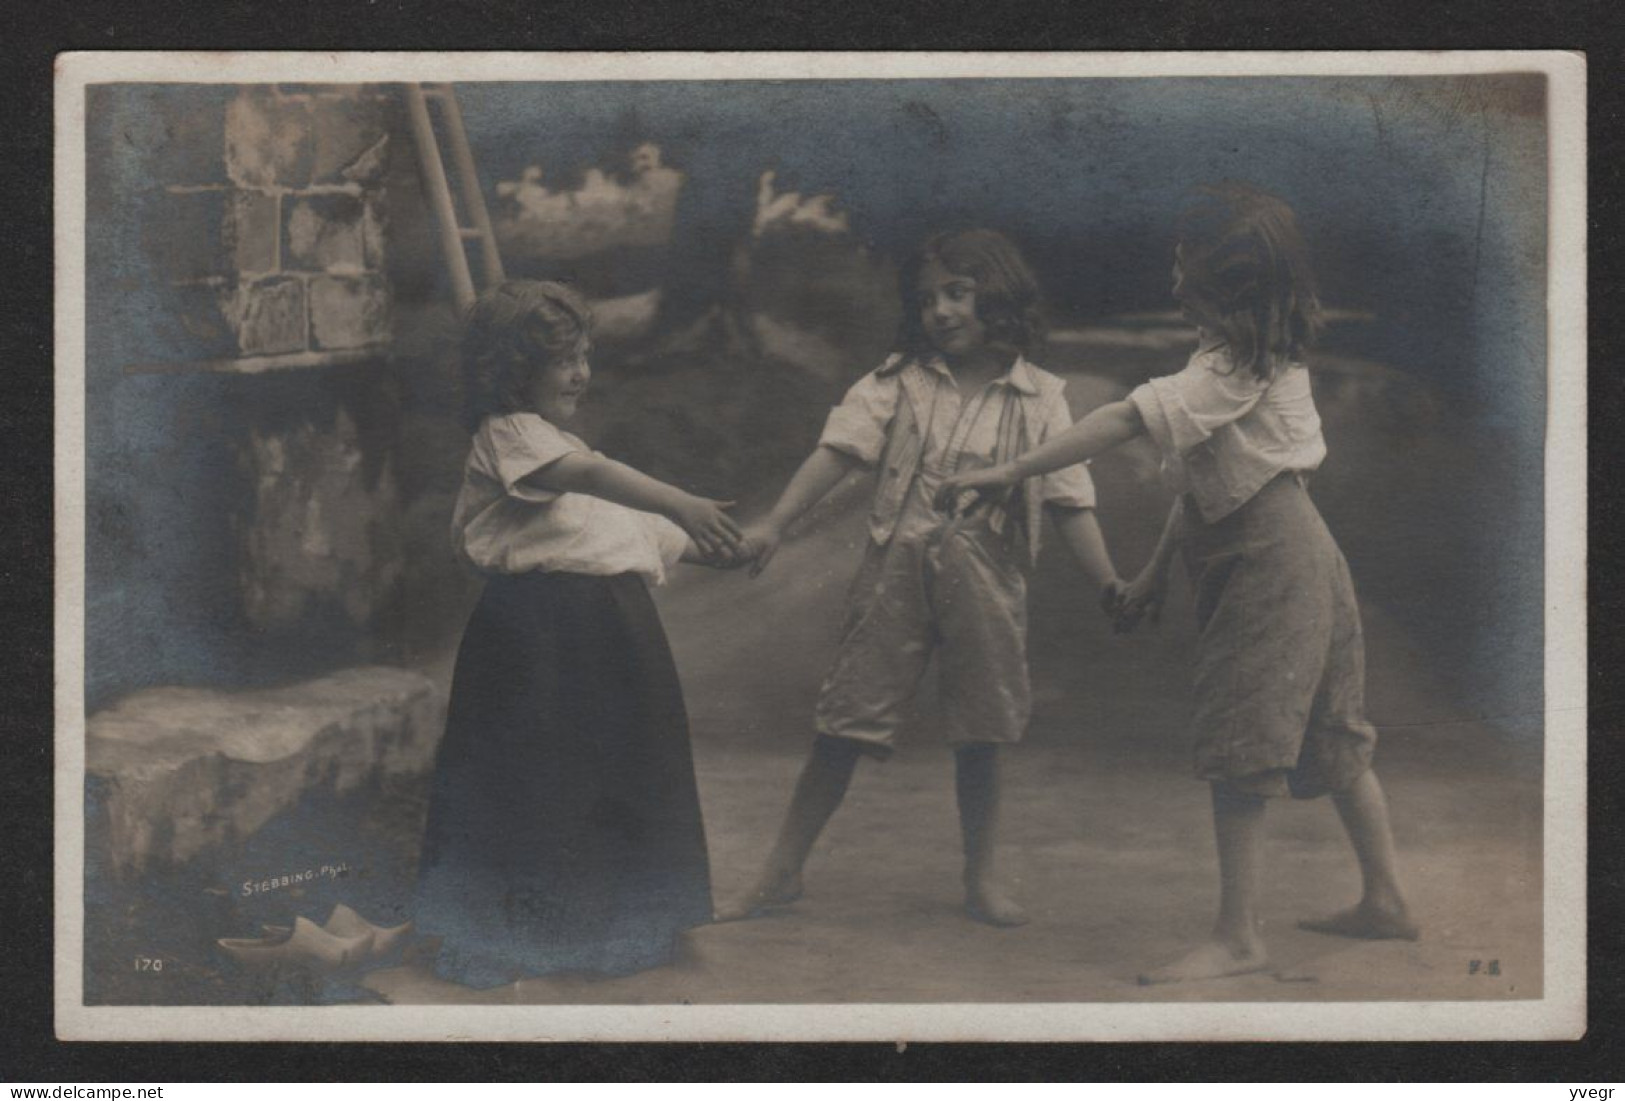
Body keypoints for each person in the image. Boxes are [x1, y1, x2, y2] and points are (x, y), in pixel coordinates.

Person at [935, 184, 1418, 984]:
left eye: (1182, 259)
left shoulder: (1235, 369)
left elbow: (1127, 419)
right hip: (1291, 552)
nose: (1171, 268)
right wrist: (1155, 574)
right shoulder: (1239, 363)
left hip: (1271, 562)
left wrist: (1015, 466)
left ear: (1214, 282)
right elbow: (1207, 486)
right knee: (1334, 733)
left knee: (1243, 743)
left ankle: (1238, 936)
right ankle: (1388, 899)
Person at [718, 229, 1123, 928]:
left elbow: (1070, 500)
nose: (939, 310)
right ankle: (779, 872)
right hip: (894, 576)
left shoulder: (1040, 399)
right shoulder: (895, 381)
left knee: (981, 730)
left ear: (997, 295)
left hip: (987, 578)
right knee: (843, 722)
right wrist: (778, 522)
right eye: (928, 298)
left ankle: (982, 877)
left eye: (957, 293)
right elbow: (836, 453)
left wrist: (1112, 582)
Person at [413, 280, 744, 988]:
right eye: (563, 359)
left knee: (612, 775)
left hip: (612, 630)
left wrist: (713, 539)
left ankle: (613, 928)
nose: (581, 372)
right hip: (534, 634)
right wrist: (683, 502)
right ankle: (493, 934)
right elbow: (594, 477)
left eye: (585, 355)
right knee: (529, 781)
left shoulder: (559, 447)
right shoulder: (508, 435)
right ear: (512, 369)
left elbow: (619, 526)